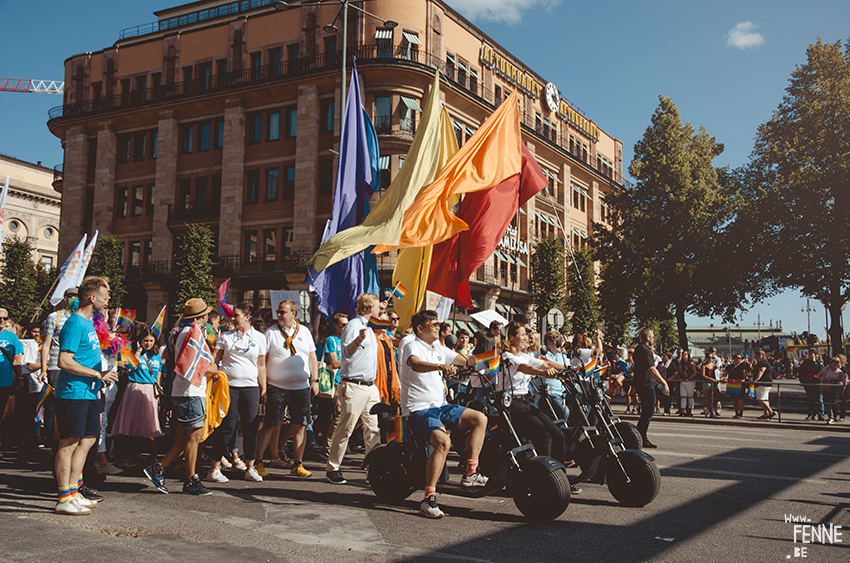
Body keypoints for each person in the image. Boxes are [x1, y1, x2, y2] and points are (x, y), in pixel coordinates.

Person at [401, 310, 489, 518]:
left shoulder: (438, 347)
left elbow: (468, 360)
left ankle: (470, 472)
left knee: (479, 418)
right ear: (420, 329)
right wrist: (440, 366)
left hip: (439, 404)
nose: (438, 327)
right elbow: (415, 363)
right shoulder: (412, 344)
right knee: (442, 442)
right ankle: (428, 498)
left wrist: (495, 357)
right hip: (419, 407)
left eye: (439, 323)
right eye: (433, 324)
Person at [53, 276, 119, 515]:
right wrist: (96, 374)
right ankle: (63, 497)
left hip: (89, 393)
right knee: (69, 443)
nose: (109, 297)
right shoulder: (74, 324)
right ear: (93, 298)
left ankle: (74, 491)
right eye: (106, 293)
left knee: (89, 440)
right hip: (74, 393)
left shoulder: (90, 323)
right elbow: (64, 361)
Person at [144, 298, 215, 496]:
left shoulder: (187, 331)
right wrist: (212, 367)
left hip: (188, 390)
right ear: (202, 316)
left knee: (188, 435)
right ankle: (189, 478)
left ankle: (161, 467)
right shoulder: (190, 333)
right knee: (194, 436)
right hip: (190, 391)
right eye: (206, 314)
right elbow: (195, 363)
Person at [206, 303, 267, 483]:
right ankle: (214, 468)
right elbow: (214, 360)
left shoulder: (260, 338)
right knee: (227, 427)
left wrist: (263, 387)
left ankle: (250, 467)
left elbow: (261, 365)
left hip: (250, 387)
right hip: (229, 387)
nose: (233, 318)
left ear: (247, 317)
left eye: (237, 315)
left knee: (251, 428)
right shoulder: (226, 336)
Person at [256, 299, 316, 478]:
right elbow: (262, 360)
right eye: (278, 312)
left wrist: (316, 380)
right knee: (270, 424)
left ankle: (298, 464)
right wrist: (264, 386)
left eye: (283, 312)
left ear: (293, 314)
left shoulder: (304, 331)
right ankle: (259, 462)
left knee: (300, 426)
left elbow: (312, 356)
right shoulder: (271, 333)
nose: (279, 315)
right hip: (277, 386)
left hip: (301, 387)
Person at [326, 293, 382, 485]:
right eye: (377, 306)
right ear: (368, 309)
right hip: (354, 385)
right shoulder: (353, 326)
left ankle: (374, 468)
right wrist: (358, 340)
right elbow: (346, 353)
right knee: (346, 427)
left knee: (373, 429)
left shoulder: (371, 329)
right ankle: (333, 467)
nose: (380, 309)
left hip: (370, 386)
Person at [501, 324, 568, 468]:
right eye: (522, 334)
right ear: (511, 338)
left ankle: (560, 475)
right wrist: (543, 373)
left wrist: (567, 369)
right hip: (513, 404)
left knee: (558, 434)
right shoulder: (508, 356)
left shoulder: (524, 356)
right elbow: (526, 368)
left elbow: (544, 363)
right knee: (543, 433)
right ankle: (546, 475)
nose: (526, 338)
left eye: (526, 334)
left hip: (526, 402)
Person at [111, 325, 164, 462]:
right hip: (134, 388)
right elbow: (128, 367)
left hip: (150, 389)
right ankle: (124, 454)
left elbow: (157, 375)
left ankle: (153, 456)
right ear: (140, 340)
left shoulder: (156, 355)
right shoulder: (133, 352)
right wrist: (138, 353)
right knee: (130, 423)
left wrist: (158, 390)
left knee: (151, 424)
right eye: (145, 340)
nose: (148, 344)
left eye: (151, 341)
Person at [633, 328, 669, 448]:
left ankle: (639, 436)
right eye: (652, 337)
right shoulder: (645, 350)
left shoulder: (639, 348)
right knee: (648, 412)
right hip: (646, 384)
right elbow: (652, 369)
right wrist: (664, 382)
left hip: (642, 383)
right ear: (647, 338)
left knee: (647, 412)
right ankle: (640, 436)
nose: (653, 338)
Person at [322, 312, 347, 449]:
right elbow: (335, 363)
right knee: (339, 414)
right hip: (337, 381)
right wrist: (350, 357)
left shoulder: (349, 340)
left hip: (349, 379)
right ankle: (329, 445)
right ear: (336, 325)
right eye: (343, 325)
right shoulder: (331, 340)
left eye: (347, 324)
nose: (345, 327)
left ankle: (340, 441)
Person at [818, 357, 846, 424]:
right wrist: (822, 375)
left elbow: (842, 382)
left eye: (837, 362)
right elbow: (818, 376)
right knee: (827, 403)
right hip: (826, 388)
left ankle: (832, 418)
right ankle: (830, 417)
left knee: (832, 403)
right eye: (833, 361)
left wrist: (832, 379)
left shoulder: (840, 372)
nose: (835, 363)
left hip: (833, 390)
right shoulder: (826, 369)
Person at [798, 350, 825, 421]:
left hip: (817, 383)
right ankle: (811, 414)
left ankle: (821, 415)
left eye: (812, 355)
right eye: (809, 355)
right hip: (808, 382)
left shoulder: (819, 362)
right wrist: (802, 381)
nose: (810, 356)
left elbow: (822, 370)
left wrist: (814, 362)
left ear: (815, 355)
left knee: (819, 399)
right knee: (810, 399)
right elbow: (801, 372)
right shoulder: (805, 363)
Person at [752, 350, 776, 419]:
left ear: (763, 355)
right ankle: (766, 414)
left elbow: (761, 371)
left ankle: (771, 412)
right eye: (757, 355)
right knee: (765, 399)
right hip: (765, 383)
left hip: (764, 382)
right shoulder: (761, 362)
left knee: (760, 399)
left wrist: (756, 380)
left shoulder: (763, 363)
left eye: (760, 355)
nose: (758, 356)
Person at [699, 347, 721, 418]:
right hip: (707, 382)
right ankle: (711, 412)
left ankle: (707, 408)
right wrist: (711, 379)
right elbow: (703, 375)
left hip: (714, 382)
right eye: (709, 357)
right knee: (708, 397)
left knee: (718, 397)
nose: (711, 359)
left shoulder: (714, 365)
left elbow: (719, 369)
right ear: (706, 358)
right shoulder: (704, 365)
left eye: (712, 358)